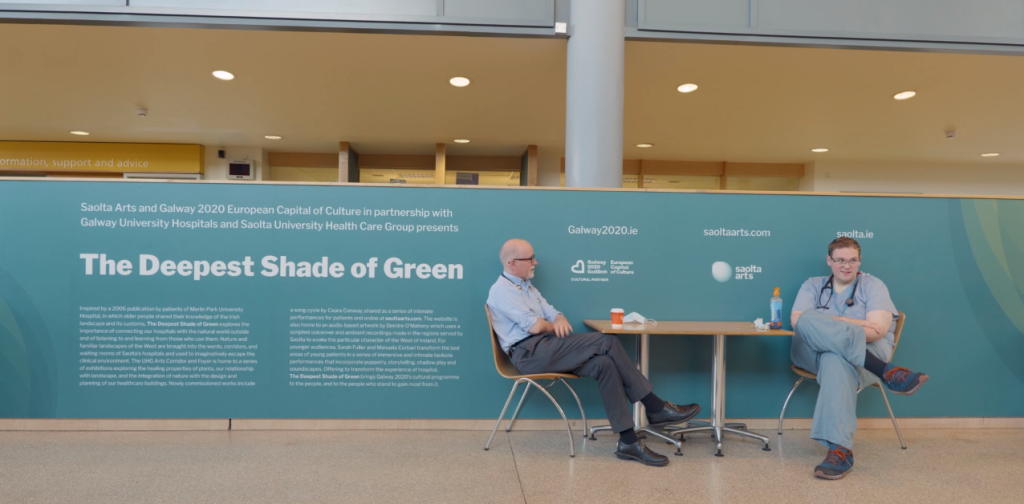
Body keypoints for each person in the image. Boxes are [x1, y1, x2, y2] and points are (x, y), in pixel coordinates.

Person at [486, 238, 701, 467]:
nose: (535, 262)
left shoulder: (528, 287)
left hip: (547, 347)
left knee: (604, 365)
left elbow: (554, 313)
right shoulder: (502, 290)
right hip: (529, 353)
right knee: (607, 340)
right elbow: (535, 326)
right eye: (530, 259)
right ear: (512, 263)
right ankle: (656, 407)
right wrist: (551, 324)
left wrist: (557, 319)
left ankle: (628, 442)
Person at [791, 237, 928, 480]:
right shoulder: (813, 285)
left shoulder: (873, 285)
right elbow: (799, 323)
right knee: (806, 320)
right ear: (829, 261)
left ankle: (840, 450)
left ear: (859, 261)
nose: (847, 265)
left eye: (852, 260)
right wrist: (853, 324)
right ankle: (885, 371)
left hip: (865, 351)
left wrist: (838, 325)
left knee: (835, 360)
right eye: (840, 260)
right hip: (813, 354)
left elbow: (876, 331)